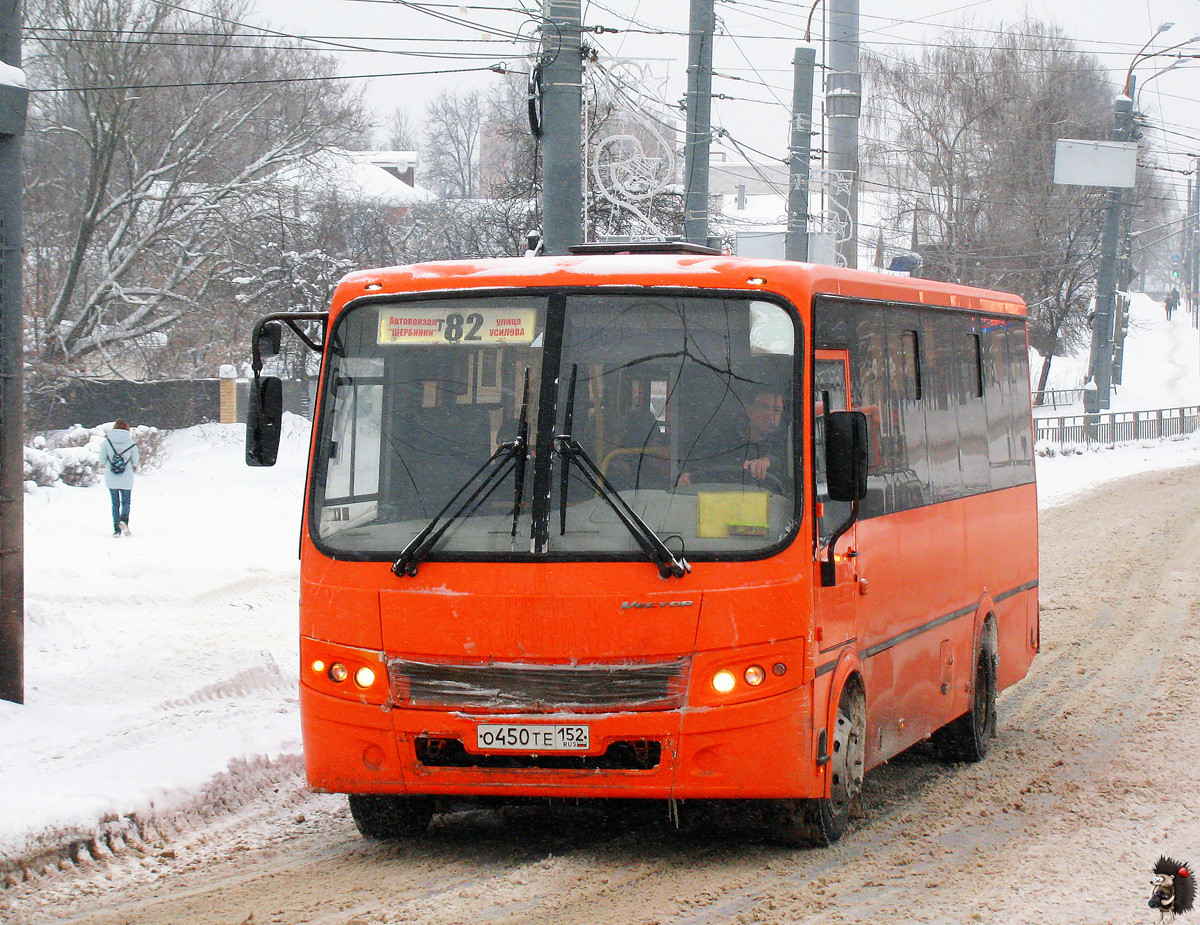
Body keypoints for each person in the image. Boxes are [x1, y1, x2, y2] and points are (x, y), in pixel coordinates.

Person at [678, 387, 788, 488]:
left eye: (777, 410)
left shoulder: (787, 445)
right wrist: (686, 477)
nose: (771, 416)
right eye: (765, 408)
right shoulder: (722, 444)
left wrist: (766, 461)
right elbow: (699, 466)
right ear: (748, 409)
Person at [101, 419, 140, 537]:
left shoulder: (106, 442)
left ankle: (116, 530)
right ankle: (124, 521)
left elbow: (102, 460)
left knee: (115, 503)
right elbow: (135, 461)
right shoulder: (130, 442)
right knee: (126, 502)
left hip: (111, 476)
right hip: (126, 477)